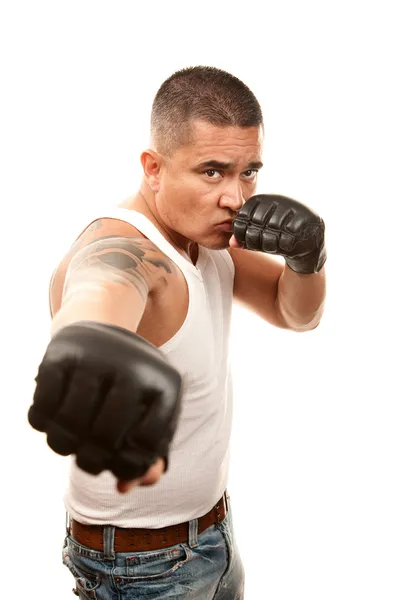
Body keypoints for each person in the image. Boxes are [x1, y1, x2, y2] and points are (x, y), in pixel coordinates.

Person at [28, 66, 327, 599]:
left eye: (249, 171)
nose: (237, 197)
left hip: (212, 534)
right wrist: (88, 340)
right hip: (142, 568)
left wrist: (309, 258)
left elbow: (295, 314)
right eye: (213, 171)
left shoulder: (211, 242)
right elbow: (101, 283)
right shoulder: (128, 247)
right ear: (154, 169)